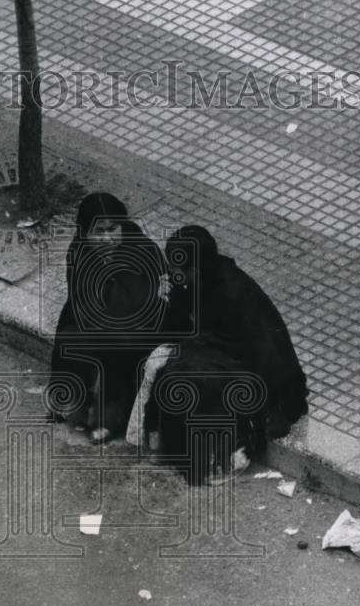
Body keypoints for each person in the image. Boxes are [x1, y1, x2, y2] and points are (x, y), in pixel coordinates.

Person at [146, 225, 308, 481]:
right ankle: (174, 446)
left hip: (260, 373)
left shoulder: (231, 292)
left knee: (190, 378)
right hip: (224, 354)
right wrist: (171, 300)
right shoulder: (197, 282)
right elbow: (177, 331)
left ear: (195, 270)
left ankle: (212, 458)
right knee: (168, 365)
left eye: (177, 269)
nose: (171, 273)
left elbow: (251, 349)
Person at [49, 193, 166, 442]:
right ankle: (74, 402)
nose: (106, 238)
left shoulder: (138, 244)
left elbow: (151, 280)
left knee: (120, 351)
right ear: (84, 231)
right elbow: (83, 297)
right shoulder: (79, 254)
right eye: (98, 232)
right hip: (96, 319)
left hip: (138, 321)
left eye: (112, 229)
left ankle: (111, 416)